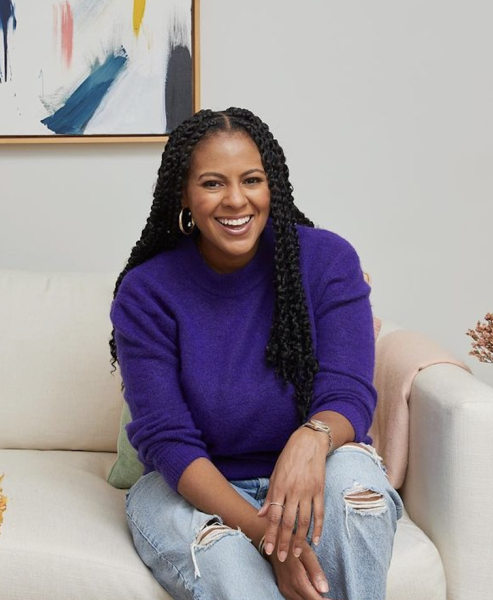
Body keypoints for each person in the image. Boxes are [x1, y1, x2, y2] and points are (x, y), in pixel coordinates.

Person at [109, 107, 402, 600]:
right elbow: (167, 439)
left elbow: (348, 391)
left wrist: (311, 439)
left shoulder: (327, 261)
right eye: (212, 183)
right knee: (227, 562)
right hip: (192, 489)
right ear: (183, 193)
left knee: (358, 498)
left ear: (273, 186)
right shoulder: (147, 292)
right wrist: (270, 539)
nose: (236, 199)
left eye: (251, 180)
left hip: (320, 470)